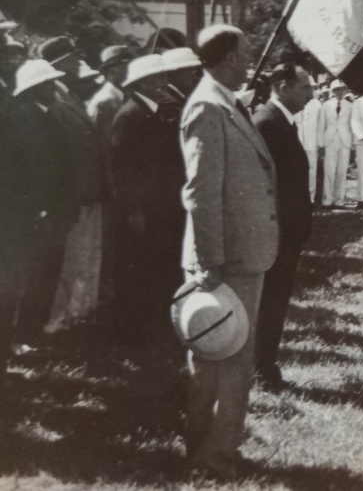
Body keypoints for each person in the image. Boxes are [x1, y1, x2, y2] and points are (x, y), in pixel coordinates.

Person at [180, 25, 279, 479]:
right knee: (229, 358)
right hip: (227, 258)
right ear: (226, 60)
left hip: (237, 253)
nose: (249, 60)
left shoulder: (224, 101)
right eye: (244, 53)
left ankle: (205, 446)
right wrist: (210, 261)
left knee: (218, 356)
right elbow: (201, 191)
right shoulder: (207, 105)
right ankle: (215, 455)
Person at [108, 54, 186, 342]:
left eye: (163, 77)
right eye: (156, 78)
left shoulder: (152, 112)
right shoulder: (130, 115)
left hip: (159, 207)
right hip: (142, 210)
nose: (163, 83)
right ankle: (129, 333)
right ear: (141, 83)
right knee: (136, 271)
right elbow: (121, 169)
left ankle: (148, 327)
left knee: (153, 268)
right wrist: (133, 211)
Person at [5, 60, 78, 356]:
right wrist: (39, 212)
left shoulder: (47, 117)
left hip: (55, 215)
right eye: (47, 84)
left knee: (46, 276)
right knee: (32, 279)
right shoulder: (22, 121)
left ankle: (32, 334)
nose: (53, 88)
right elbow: (25, 175)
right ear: (33, 90)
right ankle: (21, 336)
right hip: (39, 217)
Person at [252, 63, 314, 388]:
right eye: (305, 88)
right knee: (270, 302)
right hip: (275, 233)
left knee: (275, 301)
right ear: (283, 86)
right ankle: (261, 369)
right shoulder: (267, 123)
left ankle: (264, 365)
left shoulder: (279, 122)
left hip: (286, 232)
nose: (311, 94)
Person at [39, 38, 106, 333]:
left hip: (88, 192)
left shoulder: (69, 97)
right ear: (58, 65)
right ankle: (61, 320)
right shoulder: (56, 101)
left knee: (83, 256)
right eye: (72, 59)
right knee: (71, 258)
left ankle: (76, 313)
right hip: (75, 194)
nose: (78, 62)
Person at [320, 80, 355, 208]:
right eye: (336, 90)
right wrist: (321, 144)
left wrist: (353, 144)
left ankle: (339, 200)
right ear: (333, 92)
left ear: (345, 90)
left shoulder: (350, 106)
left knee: (342, 170)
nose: (339, 92)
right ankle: (327, 200)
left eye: (341, 89)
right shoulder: (326, 105)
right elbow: (321, 125)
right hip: (330, 140)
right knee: (329, 170)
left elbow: (352, 125)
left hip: (344, 140)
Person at [294, 84, 323, 204]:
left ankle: (310, 198)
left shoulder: (317, 104)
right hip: (299, 141)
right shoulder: (297, 101)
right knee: (298, 169)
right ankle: (299, 197)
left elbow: (321, 126)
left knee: (312, 169)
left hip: (312, 141)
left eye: (311, 88)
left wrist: (320, 144)